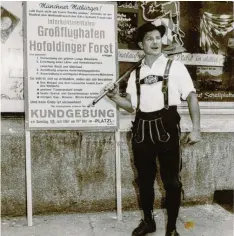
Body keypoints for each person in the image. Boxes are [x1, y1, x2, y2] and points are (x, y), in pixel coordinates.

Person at [104, 22, 201, 236]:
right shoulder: (135, 73)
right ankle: (148, 221)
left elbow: (192, 97)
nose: (155, 42)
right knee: (144, 180)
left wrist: (196, 128)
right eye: (150, 38)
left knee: (172, 182)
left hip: (166, 126)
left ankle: (172, 228)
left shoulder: (175, 67)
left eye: (158, 37)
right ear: (141, 44)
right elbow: (130, 106)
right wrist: (114, 97)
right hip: (141, 129)